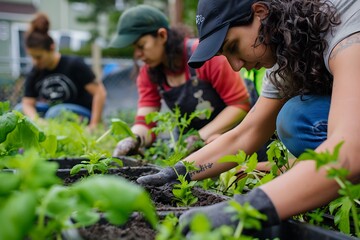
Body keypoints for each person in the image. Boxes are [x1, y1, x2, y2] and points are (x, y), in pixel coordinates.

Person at [137, 0, 360, 234]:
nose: (235, 66)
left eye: (233, 46)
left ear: (261, 13)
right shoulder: (288, 51)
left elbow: (350, 150)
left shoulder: (346, 33)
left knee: (298, 118)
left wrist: (246, 208)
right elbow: (246, 133)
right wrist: (176, 173)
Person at [110, 5, 251, 157]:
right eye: (134, 49)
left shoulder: (206, 56)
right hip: (188, 146)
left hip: (232, 139)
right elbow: (146, 122)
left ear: (162, 35)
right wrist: (133, 139)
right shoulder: (149, 73)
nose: (137, 54)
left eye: (141, 46)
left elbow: (239, 105)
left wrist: (199, 137)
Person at [16, 12, 107, 130]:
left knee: (55, 113)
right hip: (52, 112)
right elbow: (27, 103)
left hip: (82, 113)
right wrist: (37, 120)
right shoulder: (35, 71)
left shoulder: (74, 64)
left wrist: (94, 125)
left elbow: (100, 92)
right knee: (19, 111)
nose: (35, 61)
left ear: (51, 48)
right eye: (32, 57)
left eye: (38, 57)